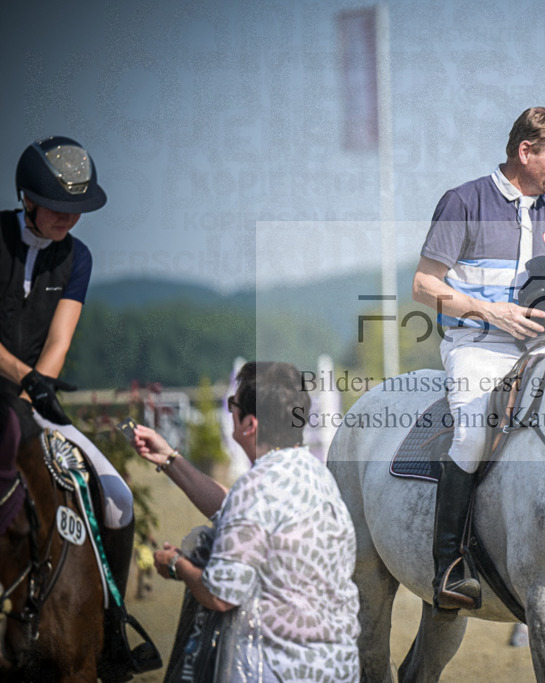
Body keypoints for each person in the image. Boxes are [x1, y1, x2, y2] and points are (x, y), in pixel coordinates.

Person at [412, 107, 545, 610]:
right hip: (477, 347)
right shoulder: (463, 201)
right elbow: (424, 285)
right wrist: (490, 312)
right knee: (472, 432)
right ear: (525, 152)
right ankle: (449, 562)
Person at [0, 136, 144, 650]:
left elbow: (59, 340)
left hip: (32, 403)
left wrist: (35, 388)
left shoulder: (76, 257)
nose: (69, 219)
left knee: (119, 499)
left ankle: (110, 629)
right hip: (15, 393)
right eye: (59, 208)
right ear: (29, 200)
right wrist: (24, 377)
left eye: (76, 210)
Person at [131, 361, 360, 680]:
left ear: (249, 424)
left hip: (280, 669)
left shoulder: (256, 488)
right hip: (336, 667)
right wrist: (169, 459)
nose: (229, 413)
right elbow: (236, 511)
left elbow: (219, 595)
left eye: (232, 405)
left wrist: (177, 565)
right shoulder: (313, 473)